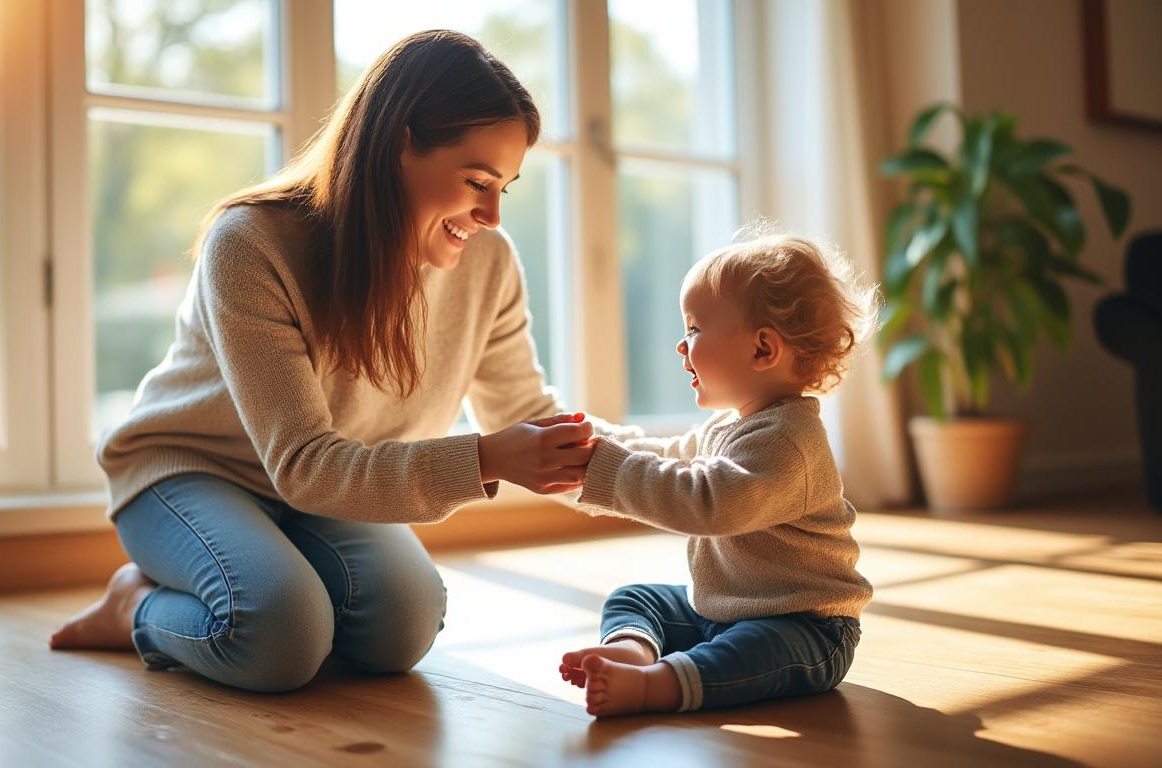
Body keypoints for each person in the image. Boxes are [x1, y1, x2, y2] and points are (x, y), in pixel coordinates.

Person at [49, 30, 609, 693]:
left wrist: (691, 474)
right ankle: (133, 606)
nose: (490, 214)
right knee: (280, 637)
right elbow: (303, 463)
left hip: (331, 485)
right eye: (477, 182)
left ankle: (277, 583)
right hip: (193, 470)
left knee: (405, 624)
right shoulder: (252, 244)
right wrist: (486, 458)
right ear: (401, 144)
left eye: (505, 189)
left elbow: (528, 415)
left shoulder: (487, 262)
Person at [558, 231, 877, 717]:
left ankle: (655, 686)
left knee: (753, 650)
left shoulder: (787, 442)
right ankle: (633, 651)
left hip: (805, 626)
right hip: (722, 608)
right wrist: (593, 444)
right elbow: (666, 453)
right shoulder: (730, 424)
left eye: (694, 329)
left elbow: (711, 503)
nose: (680, 346)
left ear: (762, 349)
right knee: (637, 597)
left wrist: (608, 470)